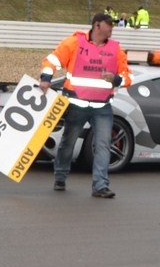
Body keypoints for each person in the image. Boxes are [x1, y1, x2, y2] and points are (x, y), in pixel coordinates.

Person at [40, 11, 133, 198]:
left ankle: (100, 186)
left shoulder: (116, 50)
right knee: (68, 142)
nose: (112, 28)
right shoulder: (75, 43)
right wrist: (46, 78)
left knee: (103, 145)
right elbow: (52, 60)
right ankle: (60, 176)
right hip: (77, 104)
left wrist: (115, 79)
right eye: (109, 24)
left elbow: (128, 77)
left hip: (102, 106)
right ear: (97, 25)